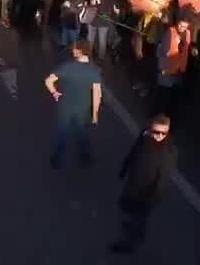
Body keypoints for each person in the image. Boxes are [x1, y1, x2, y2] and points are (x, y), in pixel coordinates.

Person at [111, 114, 178, 254]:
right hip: (132, 184)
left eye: (163, 133)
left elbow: (163, 180)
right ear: (150, 128)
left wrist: (152, 200)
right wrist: (124, 168)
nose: (159, 135)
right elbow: (134, 150)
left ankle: (127, 244)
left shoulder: (168, 152)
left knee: (137, 218)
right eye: (156, 131)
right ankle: (136, 232)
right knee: (128, 213)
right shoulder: (144, 135)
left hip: (145, 194)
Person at [44, 39, 101, 169]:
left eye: (74, 48)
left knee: (62, 133)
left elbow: (48, 81)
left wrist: (54, 92)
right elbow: (97, 95)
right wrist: (95, 115)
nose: (72, 50)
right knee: (82, 133)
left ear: (80, 51)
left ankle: (56, 158)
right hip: (83, 110)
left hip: (65, 107)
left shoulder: (68, 67)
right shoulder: (94, 71)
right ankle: (85, 155)